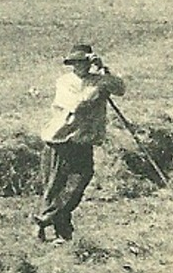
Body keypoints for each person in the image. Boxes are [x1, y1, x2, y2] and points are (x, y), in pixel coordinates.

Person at [33, 42, 125, 242]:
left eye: (84, 61)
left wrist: (104, 70)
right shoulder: (65, 82)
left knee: (79, 182)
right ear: (71, 64)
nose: (80, 66)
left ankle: (46, 218)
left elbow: (120, 89)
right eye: (76, 62)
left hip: (83, 141)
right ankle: (60, 232)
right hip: (60, 139)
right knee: (55, 186)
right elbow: (78, 105)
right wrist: (98, 89)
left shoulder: (99, 79)